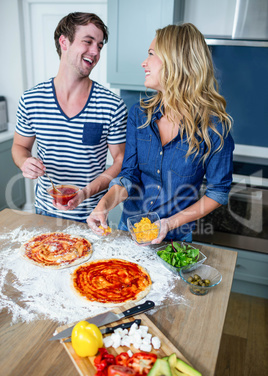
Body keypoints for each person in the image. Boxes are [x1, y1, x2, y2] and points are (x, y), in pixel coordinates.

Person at [87, 23, 234, 243]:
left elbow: (218, 192)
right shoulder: (139, 115)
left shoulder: (214, 128)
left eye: (151, 54)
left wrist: (169, 223)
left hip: (175, 241)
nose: (143, 62)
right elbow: (129, 176)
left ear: (177, 61)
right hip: (131, 235)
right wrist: (103, 206)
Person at [12, 12, 127, 222]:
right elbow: (19, 147)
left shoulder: (112, 105)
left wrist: (85, 193)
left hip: (91, 216)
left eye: (99, 46)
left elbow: (121, 160)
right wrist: (24, 162)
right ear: (64, 42)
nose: (95, 52)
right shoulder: (31, 99)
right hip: (45, 213)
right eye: (88, 42)